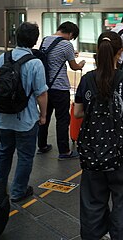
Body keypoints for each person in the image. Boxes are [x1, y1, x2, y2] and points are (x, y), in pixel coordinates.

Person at [73, 31, 123, 240]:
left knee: (93, 200)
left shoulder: (87, 80)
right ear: (120, 52)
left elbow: (77, 112)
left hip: (93, 151)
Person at [0, 22, 48, 202]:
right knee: (25, 156)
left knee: (4, 151)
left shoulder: (3, 58)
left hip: (2, 117)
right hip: (25, 120)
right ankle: (18, 192)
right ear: (34, 40)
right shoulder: (35, 63)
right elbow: (41, 94)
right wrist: (43, 115)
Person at [37, 21, 85, 159]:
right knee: (62, 119)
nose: (71, 39)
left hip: (45, 86)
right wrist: (81, 64)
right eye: (72, 37)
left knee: (44, 115)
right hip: (60, 88)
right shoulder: (66, 44)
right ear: (70, 33)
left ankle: (42, 145)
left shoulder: (45, 40)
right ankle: (64, 151)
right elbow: (74, 67)